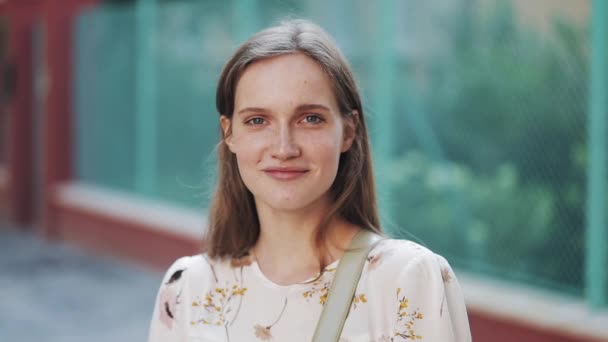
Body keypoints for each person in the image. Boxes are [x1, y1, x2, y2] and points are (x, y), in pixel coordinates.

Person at [148, 19, 471, 342]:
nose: (284, 148)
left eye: (310, 119)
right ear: (229, 133)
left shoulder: (408, 280)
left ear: (348, 130)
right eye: (258, 120)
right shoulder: (187, 289)